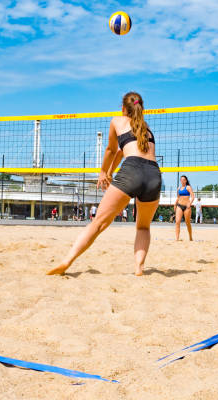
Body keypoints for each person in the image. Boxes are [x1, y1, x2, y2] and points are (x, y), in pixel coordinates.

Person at [47, 92, 161, 276]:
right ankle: (139, 268)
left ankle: (66, 261)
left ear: (123, 108)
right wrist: (110, 172)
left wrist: (103, 172)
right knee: (143, 226)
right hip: (154, 175)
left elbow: (110, 149)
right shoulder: (145, 128)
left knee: (98, 223)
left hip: (132, 171)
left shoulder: (117, 121)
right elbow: (122, 153)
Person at [174, 175, 194, 241]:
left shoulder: (188, 187)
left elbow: (193, 197)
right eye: (181, 179)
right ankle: (177, 238)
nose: (182, 181)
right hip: (179, 206)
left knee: (187, 222)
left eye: (183, 179)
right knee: (177, 222)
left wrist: (190, 203)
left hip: (186, 207)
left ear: (186, 180)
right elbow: (178, 198)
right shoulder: (178, 188)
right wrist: (175, 204)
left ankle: (190, 237)